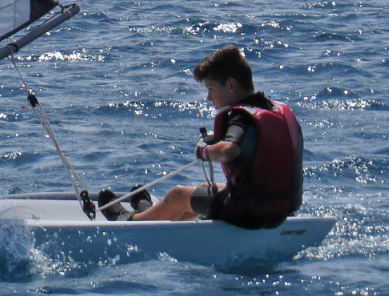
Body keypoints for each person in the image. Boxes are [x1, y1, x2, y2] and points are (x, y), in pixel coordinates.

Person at [99, 44, 304, 229]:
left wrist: (204, 151)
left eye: (211, 88)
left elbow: (229, 150)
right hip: (282, 207)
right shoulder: (273, 110)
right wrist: (218, 138)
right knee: (205, 189)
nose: (208, 97)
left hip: (249, 213)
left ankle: (129, 220)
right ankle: (149, 214)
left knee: (178, 195)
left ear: (231, 85)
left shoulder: (239, 118)